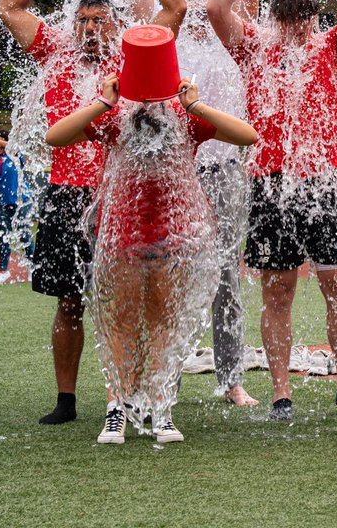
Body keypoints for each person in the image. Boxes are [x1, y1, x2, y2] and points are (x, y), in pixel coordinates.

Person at [0, 0, 185, 425]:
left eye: (99, 20)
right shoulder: (55, 51)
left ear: (116, 24)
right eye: (82, 20)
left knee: (132, 300)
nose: (89, 29)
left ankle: (131, 398)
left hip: (122, 193)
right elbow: (9, 8)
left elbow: (175, 9)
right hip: (67, 192)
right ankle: (66, 400)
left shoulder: (134, 55)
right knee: (68, 301)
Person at [208, 0, 337, 421]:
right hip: (270, 185)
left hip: (322, 183)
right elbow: (217, 7)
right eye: (288, 19)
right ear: (275, 19)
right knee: (277, 291)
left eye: (305, 18)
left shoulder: (331, 48)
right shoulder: (254, 48)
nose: (298, 29)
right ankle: (281, 393)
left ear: (315, 18)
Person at [45, 71, 257, 444]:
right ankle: (117, 410)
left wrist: (196, 104)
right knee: (123, 324)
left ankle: (161, 409)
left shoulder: (185, 118)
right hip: (121, 238)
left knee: (163, 325)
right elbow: (55, 136)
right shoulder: (115, 118)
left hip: (170, 239)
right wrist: (103, 102)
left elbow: (247, 136)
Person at [130, 0, 260, 407]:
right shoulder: (163, 35)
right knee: (170, 272)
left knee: (227, 273)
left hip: (224, 168)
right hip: (172, 171)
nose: (201, 6)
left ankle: (231, 379)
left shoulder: (233, 35)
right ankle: (168, 377)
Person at [0, 132, 36, 282]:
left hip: (22, 200)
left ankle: (32, 268)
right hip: (1, 203)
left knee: (24, 233)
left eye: (0, 143)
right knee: (4, 236)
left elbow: (14, 148)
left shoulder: (14, 155)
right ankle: (4, 271)